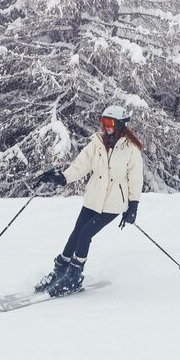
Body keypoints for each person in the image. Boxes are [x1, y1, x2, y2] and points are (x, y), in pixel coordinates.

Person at [34, 104, 144, 296]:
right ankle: (60, 271)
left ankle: (74, 276)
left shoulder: (131, 149)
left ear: (119, 124)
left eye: (109, 122)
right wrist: (63, 177)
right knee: (76, 233)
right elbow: (81, 165)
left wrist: (133, 206)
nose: (106, 126)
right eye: (103, 122)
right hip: (93, 198)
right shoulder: (97, 143)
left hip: (113, 204)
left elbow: (135, 179)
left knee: (85, 234)